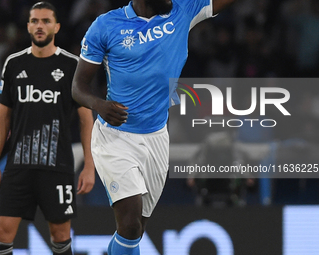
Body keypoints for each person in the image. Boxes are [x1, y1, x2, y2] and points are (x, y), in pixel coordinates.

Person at [72, 0, 235, 254]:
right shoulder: (106, 26)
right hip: (116, 137)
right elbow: (78, 86)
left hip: (157, 137)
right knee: (130, 225)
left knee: (134, 232)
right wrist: (98, 104)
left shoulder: (183, 10)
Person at [0, 2, 95, 255]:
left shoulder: (71, 66)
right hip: (18, 164)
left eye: (46, 21)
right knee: (2, 230)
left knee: (60, 234)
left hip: (57, 166)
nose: (39, 26)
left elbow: (86, 120)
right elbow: (2, 118)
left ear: (56, 26)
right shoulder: (13, 64)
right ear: (27, 26)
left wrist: (89, 165)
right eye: (34, 21)